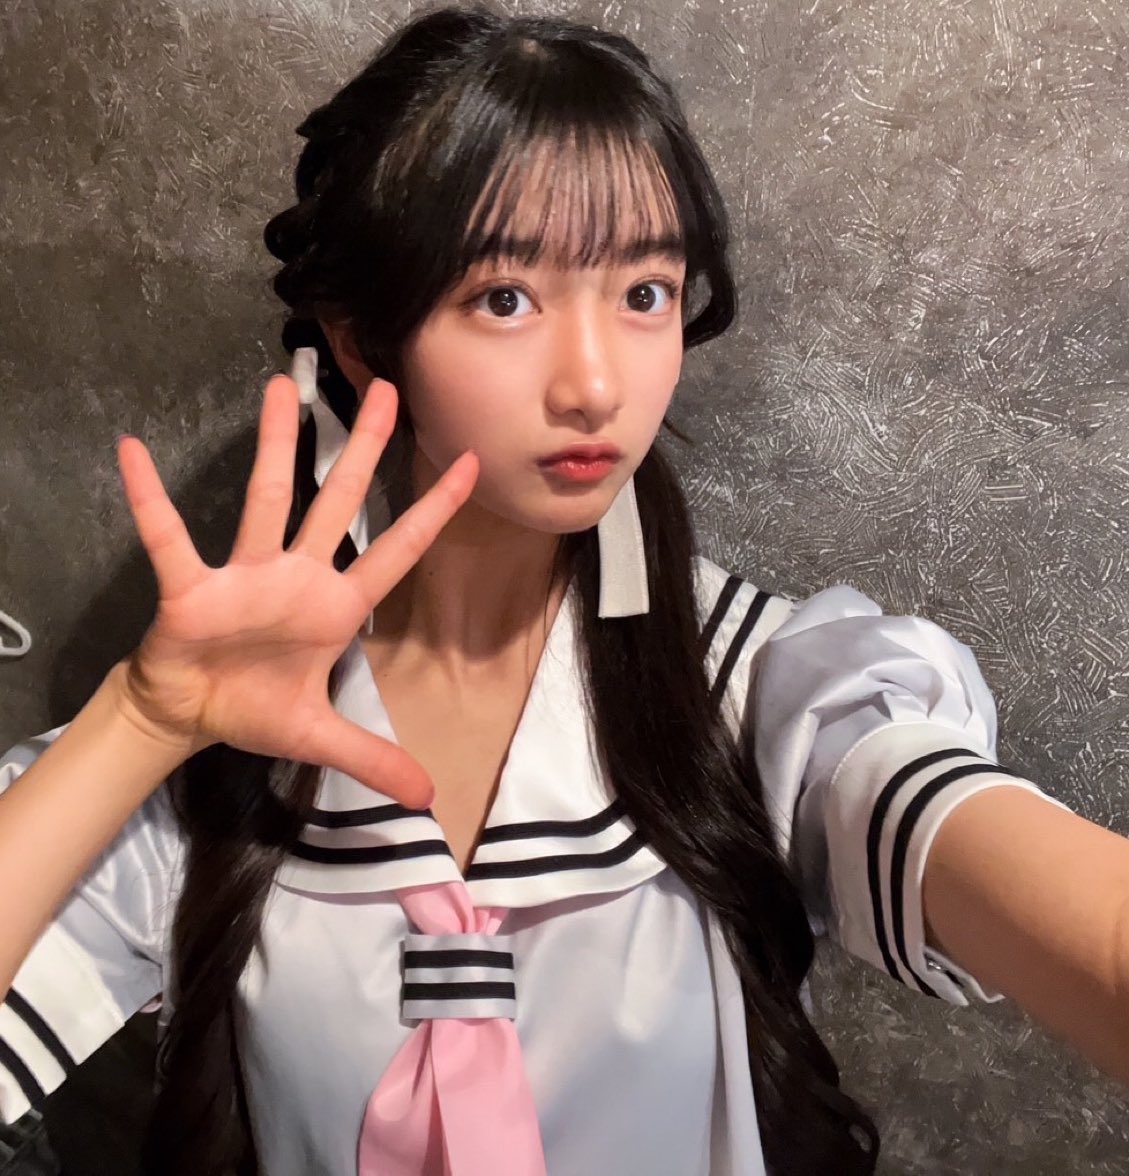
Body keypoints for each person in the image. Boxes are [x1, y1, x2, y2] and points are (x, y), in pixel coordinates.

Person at [1, 7, 1126, 1175]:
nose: (594, 385)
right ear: (361, 340)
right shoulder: (220, 748)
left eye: (644, 292)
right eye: (504, 297)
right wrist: (143, 723)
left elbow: (1062, 906)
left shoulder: (764, 696)